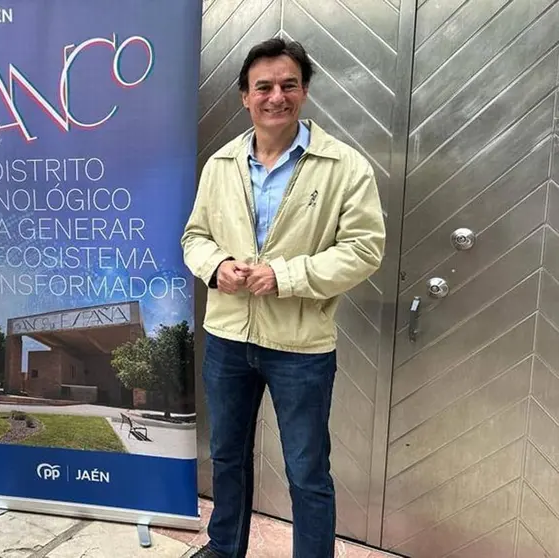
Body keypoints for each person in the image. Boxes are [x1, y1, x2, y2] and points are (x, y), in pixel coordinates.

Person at [182, 38, 385, 557]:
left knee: (306, 470)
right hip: (228, 338)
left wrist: (285, 276)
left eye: (288, 85)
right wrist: (216, 267)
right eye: (263, 87)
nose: (277, 96)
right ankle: (225, 548)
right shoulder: (221, 164)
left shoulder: (343, 167)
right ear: (244, 97)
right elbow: (194, 237)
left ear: (305, 91)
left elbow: (364, 250)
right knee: (227, 458)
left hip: (301, 346)